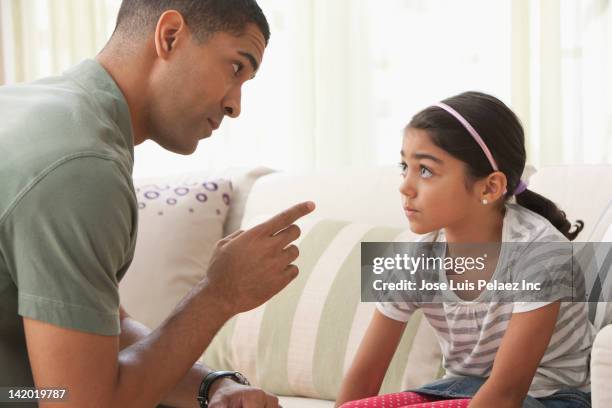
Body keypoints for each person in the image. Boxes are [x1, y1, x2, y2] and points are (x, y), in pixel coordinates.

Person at [0, 1, 315, 407]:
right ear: (170, 36)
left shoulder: (34, 110)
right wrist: (217, 295)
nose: (236, 105)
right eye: (236, 67)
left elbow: (104, 331)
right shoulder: (83, 166)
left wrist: (213, 385)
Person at [335, 91, 594, 408]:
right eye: (405, 166)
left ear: (489, 187)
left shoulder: (539, 252)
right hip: (460, 389)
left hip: (551, 398)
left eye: (426, 170)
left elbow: (506, 394)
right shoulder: (414, 258)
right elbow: (362, 380)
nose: (405, 185)